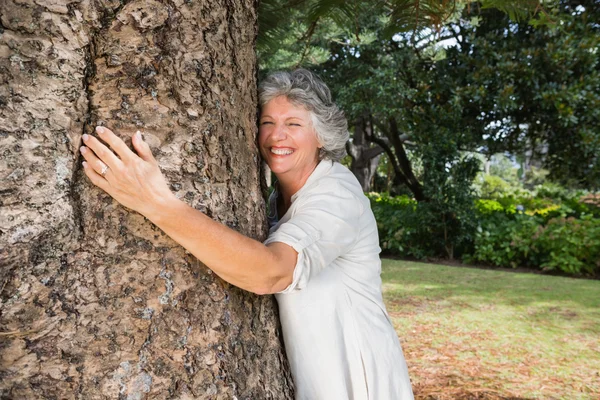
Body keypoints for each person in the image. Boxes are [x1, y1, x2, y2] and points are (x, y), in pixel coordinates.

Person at [80, 69, 414, 399]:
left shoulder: (337, 193)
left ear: (322, 137)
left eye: (293, 124)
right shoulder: (274, 199)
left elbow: (271, 272)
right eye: (268, 123)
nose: (276, 136)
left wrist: (156, 204)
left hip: (362, 383)